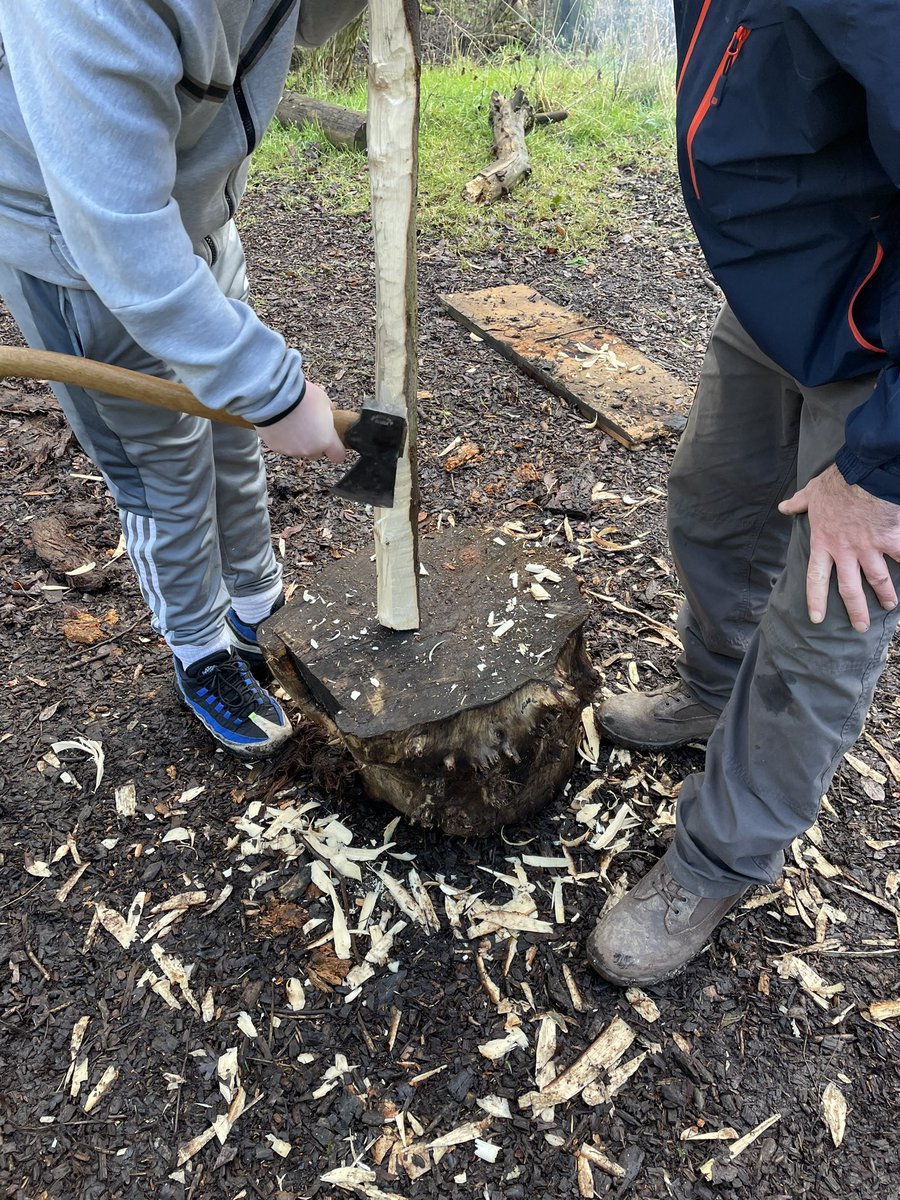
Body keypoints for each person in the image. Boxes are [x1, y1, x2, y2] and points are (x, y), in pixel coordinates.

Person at [588, 2, 900, 986]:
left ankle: (718, 862)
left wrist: (880, 472)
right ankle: (711, 689)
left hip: (883, 348)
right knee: (714, 505)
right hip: (787, 297)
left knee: (824, 623)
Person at [0, 1, 366, 759]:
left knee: (232, 438)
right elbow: (118, 232)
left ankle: (256, 606)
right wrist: (275, 393)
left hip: (194, 217)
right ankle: (200, 649)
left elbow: (301, 18)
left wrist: (254, 398)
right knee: (166, 471)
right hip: (82, 252)